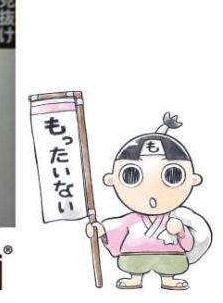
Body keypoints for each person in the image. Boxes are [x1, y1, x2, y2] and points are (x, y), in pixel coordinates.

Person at [85, 113, 211, 290]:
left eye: (173, 176)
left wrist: (181, 231)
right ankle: (135, 277)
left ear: (193, 180)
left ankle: (168, 278)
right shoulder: (131, 219)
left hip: (170, 256)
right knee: (132, 263)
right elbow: (117, 228)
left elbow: (188, 244)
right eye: (131, 176)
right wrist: (100, 230)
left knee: (172, 264)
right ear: (112, 180)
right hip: (134, 256)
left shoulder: (176, 218)